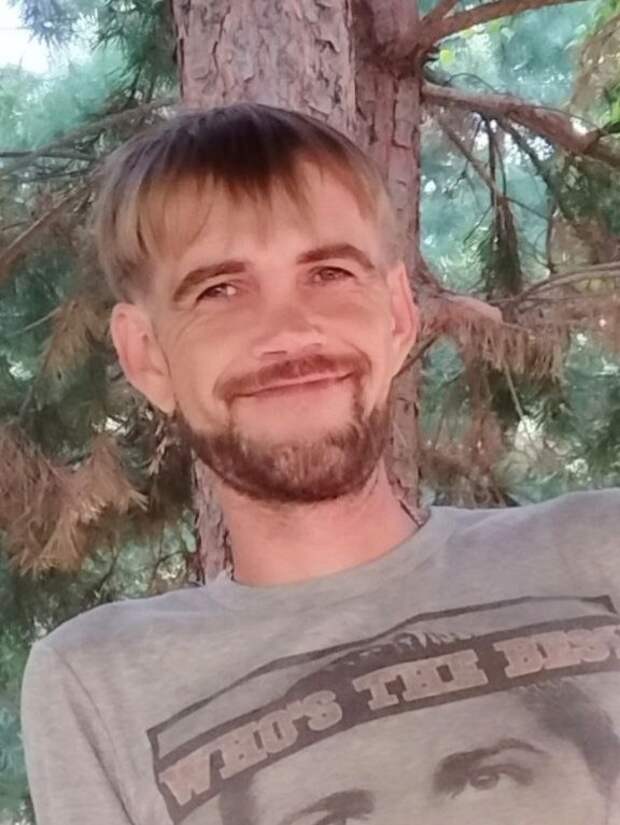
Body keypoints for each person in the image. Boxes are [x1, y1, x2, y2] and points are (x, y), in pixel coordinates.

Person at [19, 103, 620, 825]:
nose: (288, 330)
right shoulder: (94, 682)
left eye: (329, 272)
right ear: (147, 355)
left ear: (397, 316)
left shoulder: (599, 553)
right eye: (219, 290)